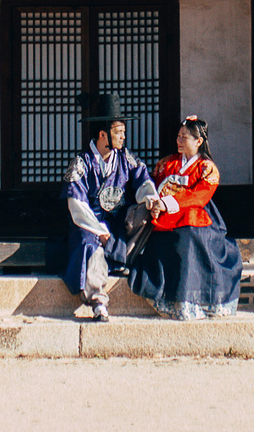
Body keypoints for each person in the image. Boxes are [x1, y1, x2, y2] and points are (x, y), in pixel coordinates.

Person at [130, 116, 244, 320]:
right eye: (178, 136)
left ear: (198, 141)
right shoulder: (166, 164)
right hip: (164, 216)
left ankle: (194, 299)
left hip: (196, 216)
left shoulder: (207, 168)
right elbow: (153, 186)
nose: (179, 140)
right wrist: (154, 204)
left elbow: (199, 196)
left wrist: (168, 203)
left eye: (184, 137)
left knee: (189, 238)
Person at [61, 93, 155, 322]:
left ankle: (122, 259)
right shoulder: (81, 163)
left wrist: (151, 199)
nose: (123, 137)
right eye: (118, 132)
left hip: (119, 223)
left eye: (124, 131)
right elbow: (76, 205)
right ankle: (98, 302)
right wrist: (99, 231)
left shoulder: (126, 159)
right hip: (90, 225)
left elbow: (143, 181)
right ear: (103, 134)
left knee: (148, 212)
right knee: (89, 245)